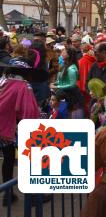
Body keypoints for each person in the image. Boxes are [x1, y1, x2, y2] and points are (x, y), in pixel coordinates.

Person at [0, 56, 44, 206]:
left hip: (3, 128)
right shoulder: (23, 86)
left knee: (8, 159)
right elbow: (30, 111)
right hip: (16, 127)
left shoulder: (2, 81)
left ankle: (7, 194)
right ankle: (32, 197)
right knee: (28, 159)